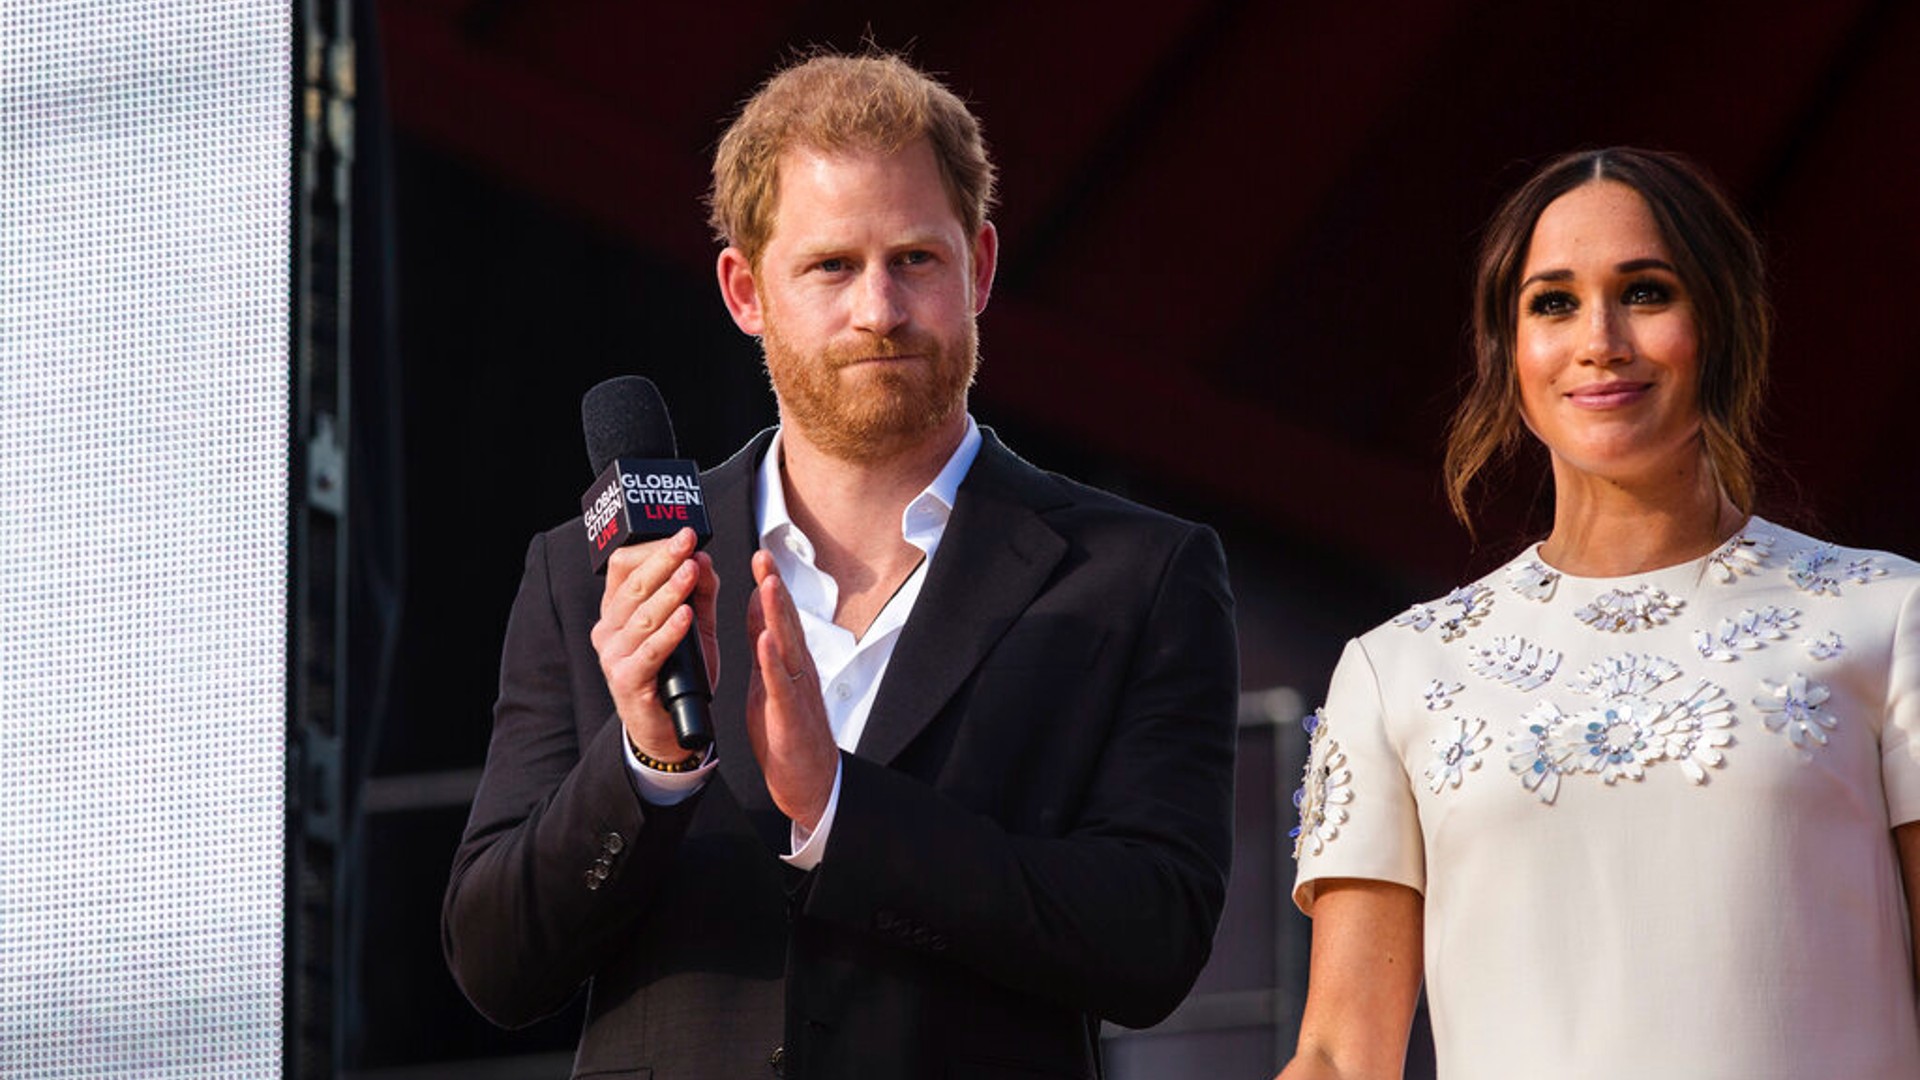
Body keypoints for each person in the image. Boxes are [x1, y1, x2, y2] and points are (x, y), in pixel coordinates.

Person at [441, 52, 1239, 1078]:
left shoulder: (1140, 573)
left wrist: (839, 812)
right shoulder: (588, 576)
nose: (880, 311)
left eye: (915, 259)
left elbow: (1153, 942)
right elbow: (496, 963)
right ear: (745, 289)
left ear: (981, 267)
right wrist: (646, 765)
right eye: (831, 267)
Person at [1279, 147, 1920, 1078]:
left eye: (1647, 292)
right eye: (1553, 302)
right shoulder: (1398, 670)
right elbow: (1340, 1054)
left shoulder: (1891, 620)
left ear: (1724, 323)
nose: (1601, 340)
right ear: (1508, 353)